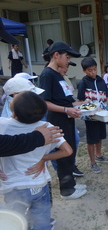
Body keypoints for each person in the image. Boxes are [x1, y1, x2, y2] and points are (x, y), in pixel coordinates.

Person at [0, 91, 73, 230]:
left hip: (13, 187)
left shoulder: (2, 125)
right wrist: (43, 158)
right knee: (42, 220)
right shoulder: (48, 127)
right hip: (39, 184)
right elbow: (68, 150)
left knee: (15, 221)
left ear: (14, 113)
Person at [39, 41, 87, 199]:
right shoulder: (47, 75)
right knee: (64, 154)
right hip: (58, 121)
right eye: (67, 57)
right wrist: (67, 110)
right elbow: (45, 103)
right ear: (56, 55)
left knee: (70, 152)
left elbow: (65, 101)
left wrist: (81, 104)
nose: (68, 61)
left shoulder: (58, 76)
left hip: (67, 120)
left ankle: (71, 184)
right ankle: (67, 191)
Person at [77, 57, 108, 173]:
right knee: (91, 139)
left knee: (100, 136)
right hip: (90, 116)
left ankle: (99, 155)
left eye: (94, 69)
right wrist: (86, 107)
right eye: (90, 70)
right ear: (84, 71)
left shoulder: (101, 81)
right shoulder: (83, 82)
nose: (93, 72)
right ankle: (93, 162)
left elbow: (106, 96)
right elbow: (80, 100)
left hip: (101, 114)